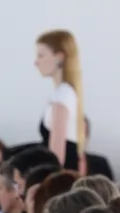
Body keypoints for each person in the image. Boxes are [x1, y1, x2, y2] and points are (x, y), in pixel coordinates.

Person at [34, 30, 85, 172]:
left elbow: (56, 156)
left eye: (41, 55)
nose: (36, 62)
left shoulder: (62, 95)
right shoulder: (65, 94)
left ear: (59, 57)